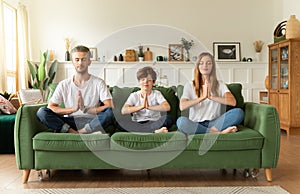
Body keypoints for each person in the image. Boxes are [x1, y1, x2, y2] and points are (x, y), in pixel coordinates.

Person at [37, 45, 114, 134]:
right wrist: (72, 109)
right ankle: (73, 132)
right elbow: (51, 107)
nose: (80, 63)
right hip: (70, 121)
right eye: (77, 59)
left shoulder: (99, 83)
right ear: (73, 62)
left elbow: (109, 106)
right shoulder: (64, 84)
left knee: (110, 112)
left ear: (89, 61)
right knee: (42, 112)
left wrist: (86, 109)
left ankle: (81, 132)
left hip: (92, 121)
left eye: (84, 59)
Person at [176, 52, 244, 135]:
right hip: (196, 123)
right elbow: (182, 106)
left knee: (238, 112)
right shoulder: (190, 85)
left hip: (215, 123)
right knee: (181, 122)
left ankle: (210, 131)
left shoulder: (220, 84)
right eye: (201, 63)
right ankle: (217, 133)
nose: (205, 66)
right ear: (198, 66)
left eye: (209, 63)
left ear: (212, 66)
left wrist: (211, 97)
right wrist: (202, 98)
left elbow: (232, 102)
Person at [117, 66, 174, 133]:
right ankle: (154, 131)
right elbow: (124, 110)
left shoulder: (157, 94)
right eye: (143, 80)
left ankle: (145, 131)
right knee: (120, 123)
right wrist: (141, 107)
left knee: (169, 118)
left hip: (154, 122)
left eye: (149, 80)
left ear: (153, 82)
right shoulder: (134, 95)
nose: (146, 83)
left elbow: (167, 107)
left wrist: (149, 107)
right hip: (138, 123)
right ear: (139, 81)